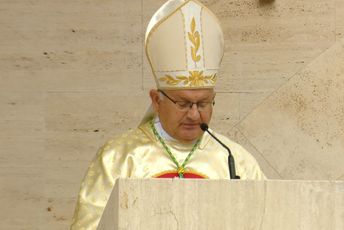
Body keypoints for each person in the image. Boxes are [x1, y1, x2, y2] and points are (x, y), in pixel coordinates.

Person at [70, 0, 266, 229]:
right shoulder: (119, 158)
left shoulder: (236, 160)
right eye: (183, 103)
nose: (195, 114)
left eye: (203, 103)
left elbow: (267, 220)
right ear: (156, 99)